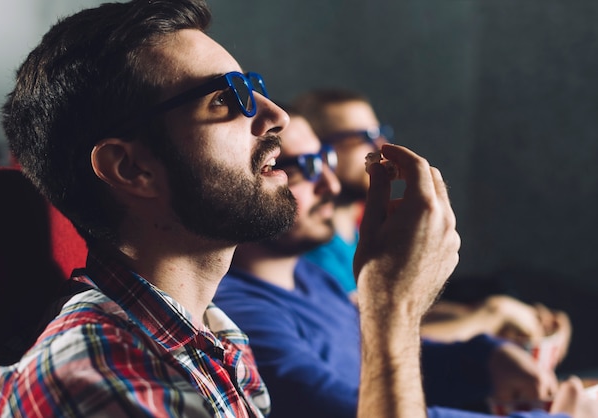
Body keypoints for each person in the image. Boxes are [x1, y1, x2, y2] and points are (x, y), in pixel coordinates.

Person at [0, 1, 589, 417]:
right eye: (228, 99)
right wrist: (392, 308)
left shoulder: (215, 337)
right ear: (131, 169)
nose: (276, 118)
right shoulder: (96, 375)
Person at [214, 108, 596, 417]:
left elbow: (378, 360)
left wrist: (485, 358)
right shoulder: (240, 316)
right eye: (299, 167)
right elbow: (355, 408)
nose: (329, 185)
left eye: (324, 160)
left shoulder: (311, 277)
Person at [293, 88, 572, 354]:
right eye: (361, 137)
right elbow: (362, 342)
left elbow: (386, 308)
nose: (380, 146)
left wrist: (492, 312)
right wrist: (487, 318)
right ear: (321, 151)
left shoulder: (360, 225)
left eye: (379, 133)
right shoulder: (306, 249)